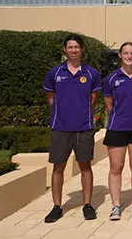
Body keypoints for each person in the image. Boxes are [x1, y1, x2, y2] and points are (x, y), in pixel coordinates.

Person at [43, 34, 102, 223]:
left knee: (85, 166)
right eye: (70, 47)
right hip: (60, 128)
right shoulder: (55, 73)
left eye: (77, 47)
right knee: (58, 167)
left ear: (82, 49)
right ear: (65, 50)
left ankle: (87, 204)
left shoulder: (91, 73)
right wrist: (60, 113)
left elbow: (93, 99)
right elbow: (50, 96)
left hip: (84, 127)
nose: (74, 50)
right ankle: (57, 206)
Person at [102, 42, 132, 220]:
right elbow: (109, 104)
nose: (129, 56)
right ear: (120, 56)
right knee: (116, 167)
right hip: (117, 128)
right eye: (125, 53)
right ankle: (116, 205)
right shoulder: (111, 79)